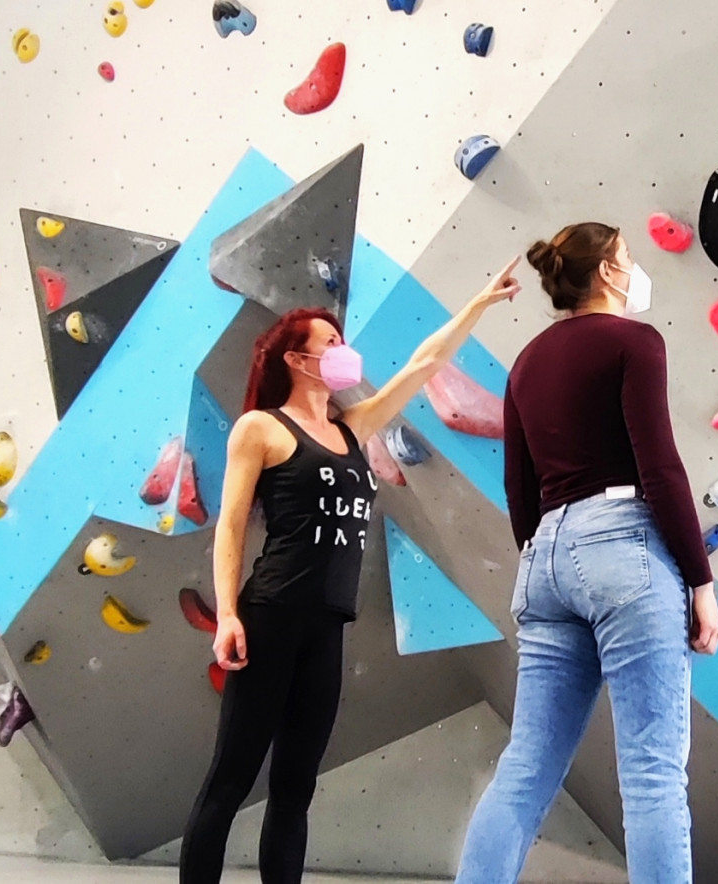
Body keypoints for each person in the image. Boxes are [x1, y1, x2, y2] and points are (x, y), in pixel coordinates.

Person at [179, 259, 520, 884]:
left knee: (294, 790)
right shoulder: (262, 428)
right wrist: (227, 614)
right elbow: (229, 527)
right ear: (296, 360)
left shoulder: (351, 427)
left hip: (327, 626)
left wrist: (480, 301)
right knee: (230, 779)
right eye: (329, 344)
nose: (342, 352)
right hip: (270, 616)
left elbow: (422, 366)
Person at [454, 223, 718, 884]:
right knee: (653, 774)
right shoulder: (635, 342)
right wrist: (701, 581)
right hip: (625, 547)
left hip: (544, 554)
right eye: (629, 257)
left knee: (525, 766)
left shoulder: (527, 363)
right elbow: (660, 467)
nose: (636, 270)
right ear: (606, 271)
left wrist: (549, 553)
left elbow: (519, 488)